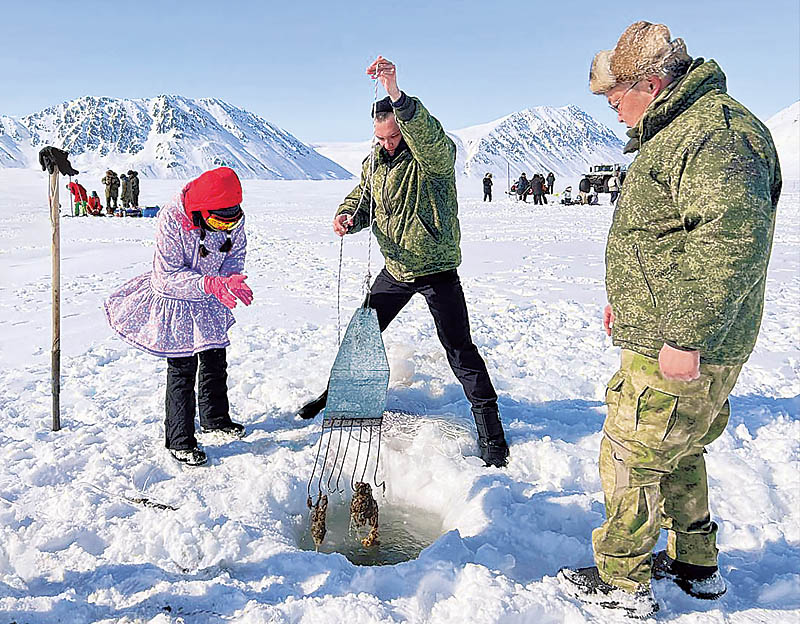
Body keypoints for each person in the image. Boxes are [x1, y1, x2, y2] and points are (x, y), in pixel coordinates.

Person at [557, 21, 781, 618]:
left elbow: (730, 244)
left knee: (632, 453)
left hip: (684, 342)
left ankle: (622, 583)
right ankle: (694, 565)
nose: (615, 113)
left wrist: (686, 335)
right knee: (679, 450)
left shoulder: (715, 136)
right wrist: (628, 302)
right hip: (669, 332)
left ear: (650, 84)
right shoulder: (682, 131)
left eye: (616, 99)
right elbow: (663, 239)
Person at [297, 56, 509, 468]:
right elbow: (364, 196)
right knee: (361, 335)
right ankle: (334, 398)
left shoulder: (433, 158)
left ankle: (491, 431)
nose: (389, 144)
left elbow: (428, 138)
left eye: (395, 137)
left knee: (459, 350)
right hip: (396, 268)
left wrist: (396, 92)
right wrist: (348, 217)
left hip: (436, 269)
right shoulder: (376, 160)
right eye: (382, 139)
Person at [104, 167, 254, 466]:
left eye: (231, 220)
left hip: (211, 292)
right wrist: (208, 283)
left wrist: (229, 278)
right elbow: (166, 276)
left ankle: (215, 419)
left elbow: (235, 253)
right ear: (200, 210)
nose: (224, 227)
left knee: (214, 357)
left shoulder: (232, 217)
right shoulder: (172, 218)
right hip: (176, 296)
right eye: (216, 221)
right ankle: (180, 440)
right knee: (183, 366)